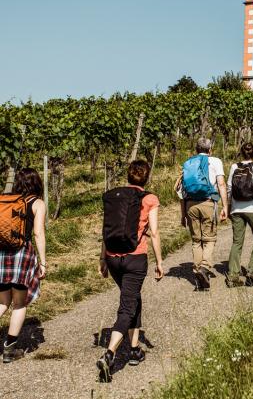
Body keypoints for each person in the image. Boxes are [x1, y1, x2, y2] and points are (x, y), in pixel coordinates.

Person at [97, 160, 163, 383]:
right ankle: (110, 354)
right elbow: (154, 233)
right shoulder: (149, 199)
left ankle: (134, 350)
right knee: (127, 306)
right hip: (135, 258)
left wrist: (102, 258)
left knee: (133, 299)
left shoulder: (113, 196)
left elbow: (106, 229)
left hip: (113, 257)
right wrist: (160, 262)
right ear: (147, 176)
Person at [0, 168, 46, 363]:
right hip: (22, 255)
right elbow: (38, 234)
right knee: (19, 303)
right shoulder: (37, 203)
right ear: (36, 183)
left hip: (2, 253)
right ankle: (9, 349)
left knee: (2, 302)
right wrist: (43, 262)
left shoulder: (7, 200)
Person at [178, 137, 228, 290]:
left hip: (190, 205)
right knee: (209, 239)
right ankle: (204, 268)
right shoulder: (216, 161)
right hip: (207, 203)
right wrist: (225, 206)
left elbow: (181, 191)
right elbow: (221, 183)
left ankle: (198, 275)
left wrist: (183, 214)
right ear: (210, 150)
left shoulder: (188, 163)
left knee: (196, 240)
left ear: (196, 150)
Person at [226, 142, 253, 288]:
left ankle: (233, 277)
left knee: (237, 241)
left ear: (241, 152)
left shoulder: (234, 166)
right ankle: (252, 272)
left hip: (236, 209)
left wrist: (228, 206)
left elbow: (229, 187)